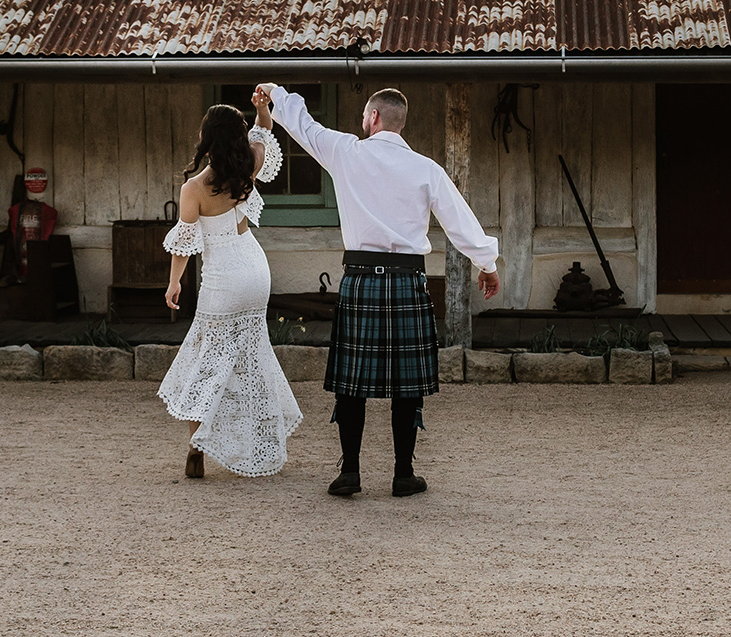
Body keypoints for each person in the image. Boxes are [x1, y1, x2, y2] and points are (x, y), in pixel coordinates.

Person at [257, 83, 499, 499]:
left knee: (352, 382)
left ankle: (350, 471)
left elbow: (302, 124)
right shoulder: (426, 168)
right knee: (407, 384)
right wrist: (487, 265)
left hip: (361, 281)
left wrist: (274, 93)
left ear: (373, 118)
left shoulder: (346, 152)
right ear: (400, 123)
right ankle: (403, 474)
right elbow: (460, 220)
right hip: (408, 282)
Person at [155, 97, 303, 479]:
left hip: (224, 278)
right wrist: (262, 109)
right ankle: (259, 443)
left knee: (203, 364)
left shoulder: (195, 187)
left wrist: (174, 283)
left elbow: (186, 242)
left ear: (206, 138)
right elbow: (264, 134)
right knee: (252, 360)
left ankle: (195, 447)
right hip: (255, 272)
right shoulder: (247, 166)